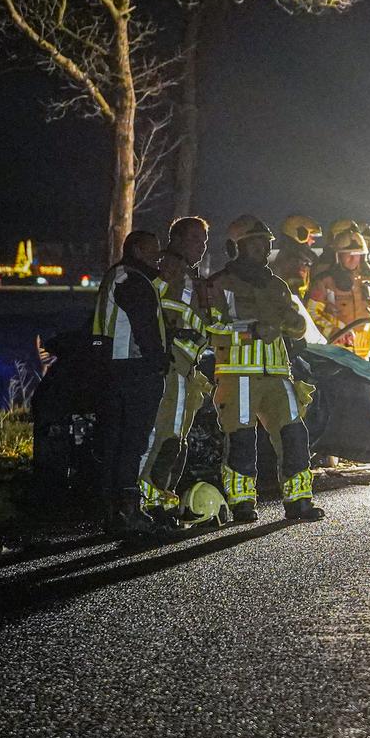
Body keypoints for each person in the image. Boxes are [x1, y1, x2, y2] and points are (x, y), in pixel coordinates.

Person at [203, 215, 325, 521]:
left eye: (265, 242)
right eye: (255, 242)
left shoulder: (276, 284)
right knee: (242, 440)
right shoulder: (219, 284)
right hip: (238, 374)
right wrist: (251, 331)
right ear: (237, 247)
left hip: (278, 373)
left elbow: (295, 323)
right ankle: (242, 503)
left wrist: (295, 324)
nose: (263, 247)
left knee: (294, 434)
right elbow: (211, 327)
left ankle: (299, 500)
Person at [92, 230, 170, 536]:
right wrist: (158, 360)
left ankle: (114, 511)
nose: (158, 256)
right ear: (137, 250)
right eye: (153, 251)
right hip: (135, 370)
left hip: (114, 370)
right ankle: (128, 510)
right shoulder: (133, 280)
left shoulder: (118, 276)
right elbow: (145, 327)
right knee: (134, 442)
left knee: (116, 441)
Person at [137, 216, 213, 521]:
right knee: (164, 433)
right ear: (176, 240)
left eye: (205, 241)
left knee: (174, 433)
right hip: (173, 365)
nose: (202, 246)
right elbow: (166, 316)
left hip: (185, 366)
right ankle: (148, 500)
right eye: (195, 239)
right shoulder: (172, 271)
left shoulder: (186, 274)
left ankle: (158, 498)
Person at [306, 227, 370, 364]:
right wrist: (334, 332)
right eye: (348, 254)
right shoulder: (325, 283)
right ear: (338, 256)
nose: (353, 259)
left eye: (357, 254)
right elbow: (311, 314)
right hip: (335, 354)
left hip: (364, 356)